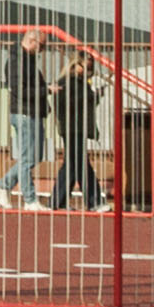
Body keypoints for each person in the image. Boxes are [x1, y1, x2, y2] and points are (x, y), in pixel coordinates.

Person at [0, 36, 47, 209]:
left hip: (32, 112)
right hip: (24, 114)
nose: (42, 51)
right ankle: (29, 199)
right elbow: (20, 91)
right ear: (32, 41)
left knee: (34, 157)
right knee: (28, 158)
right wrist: (45, 91)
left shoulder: (27, 61)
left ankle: (2, 185)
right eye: (41, 46)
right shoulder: (17, 62)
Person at [49, 53, 103, 214]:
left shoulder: (81, 83)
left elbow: (84, 103)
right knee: (81, 164)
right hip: (72, 128)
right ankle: (94, 201)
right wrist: (92, 96)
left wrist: (94, 97)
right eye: (85, 65)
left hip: (77, 127)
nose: (87, 69)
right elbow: (70, 104)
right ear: (75, 65)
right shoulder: (67, 82)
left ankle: (58, 200)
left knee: (71, 165)